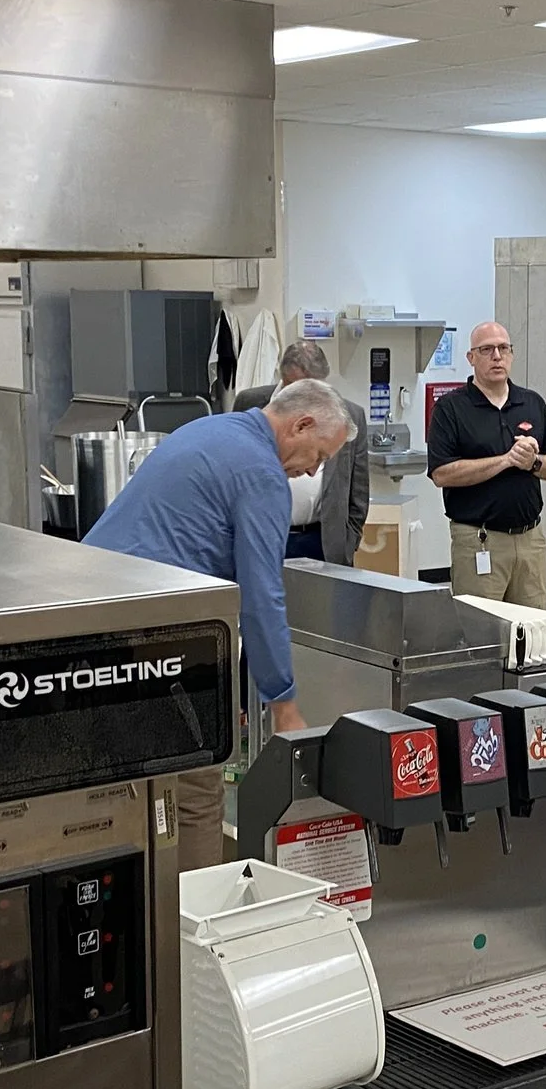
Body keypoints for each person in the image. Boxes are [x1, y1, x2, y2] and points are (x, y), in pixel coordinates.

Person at [84, 378, 353, 870]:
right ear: (301, 424)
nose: (315, 469)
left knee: (119, 789)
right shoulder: (261, 474)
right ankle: (193, 929)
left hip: (92, 613)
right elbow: (261, 595)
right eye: (319, 454)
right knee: (196, 786)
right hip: (154, 630)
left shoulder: (209, 430)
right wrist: (284, 701)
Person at [428, 320, 546, 605]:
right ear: (471, 358)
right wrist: (505, 460)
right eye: (487, 349)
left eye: (503, 348)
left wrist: (533, 463)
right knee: (481, 633)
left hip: (530, 541)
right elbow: (442, 473)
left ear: (512, 354)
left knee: (534, 630)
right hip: (479, 540)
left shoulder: (532, 403)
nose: (497, 356)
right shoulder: (451, 409)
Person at [234, 340, 370, 565]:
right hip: (266, 535)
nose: (308, 397)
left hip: (323, 540)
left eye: (316, 387)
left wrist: (350, 539)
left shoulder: (349, 415)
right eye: (300, 387)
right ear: (284, 378)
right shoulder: (250, 403)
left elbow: (359, 489)